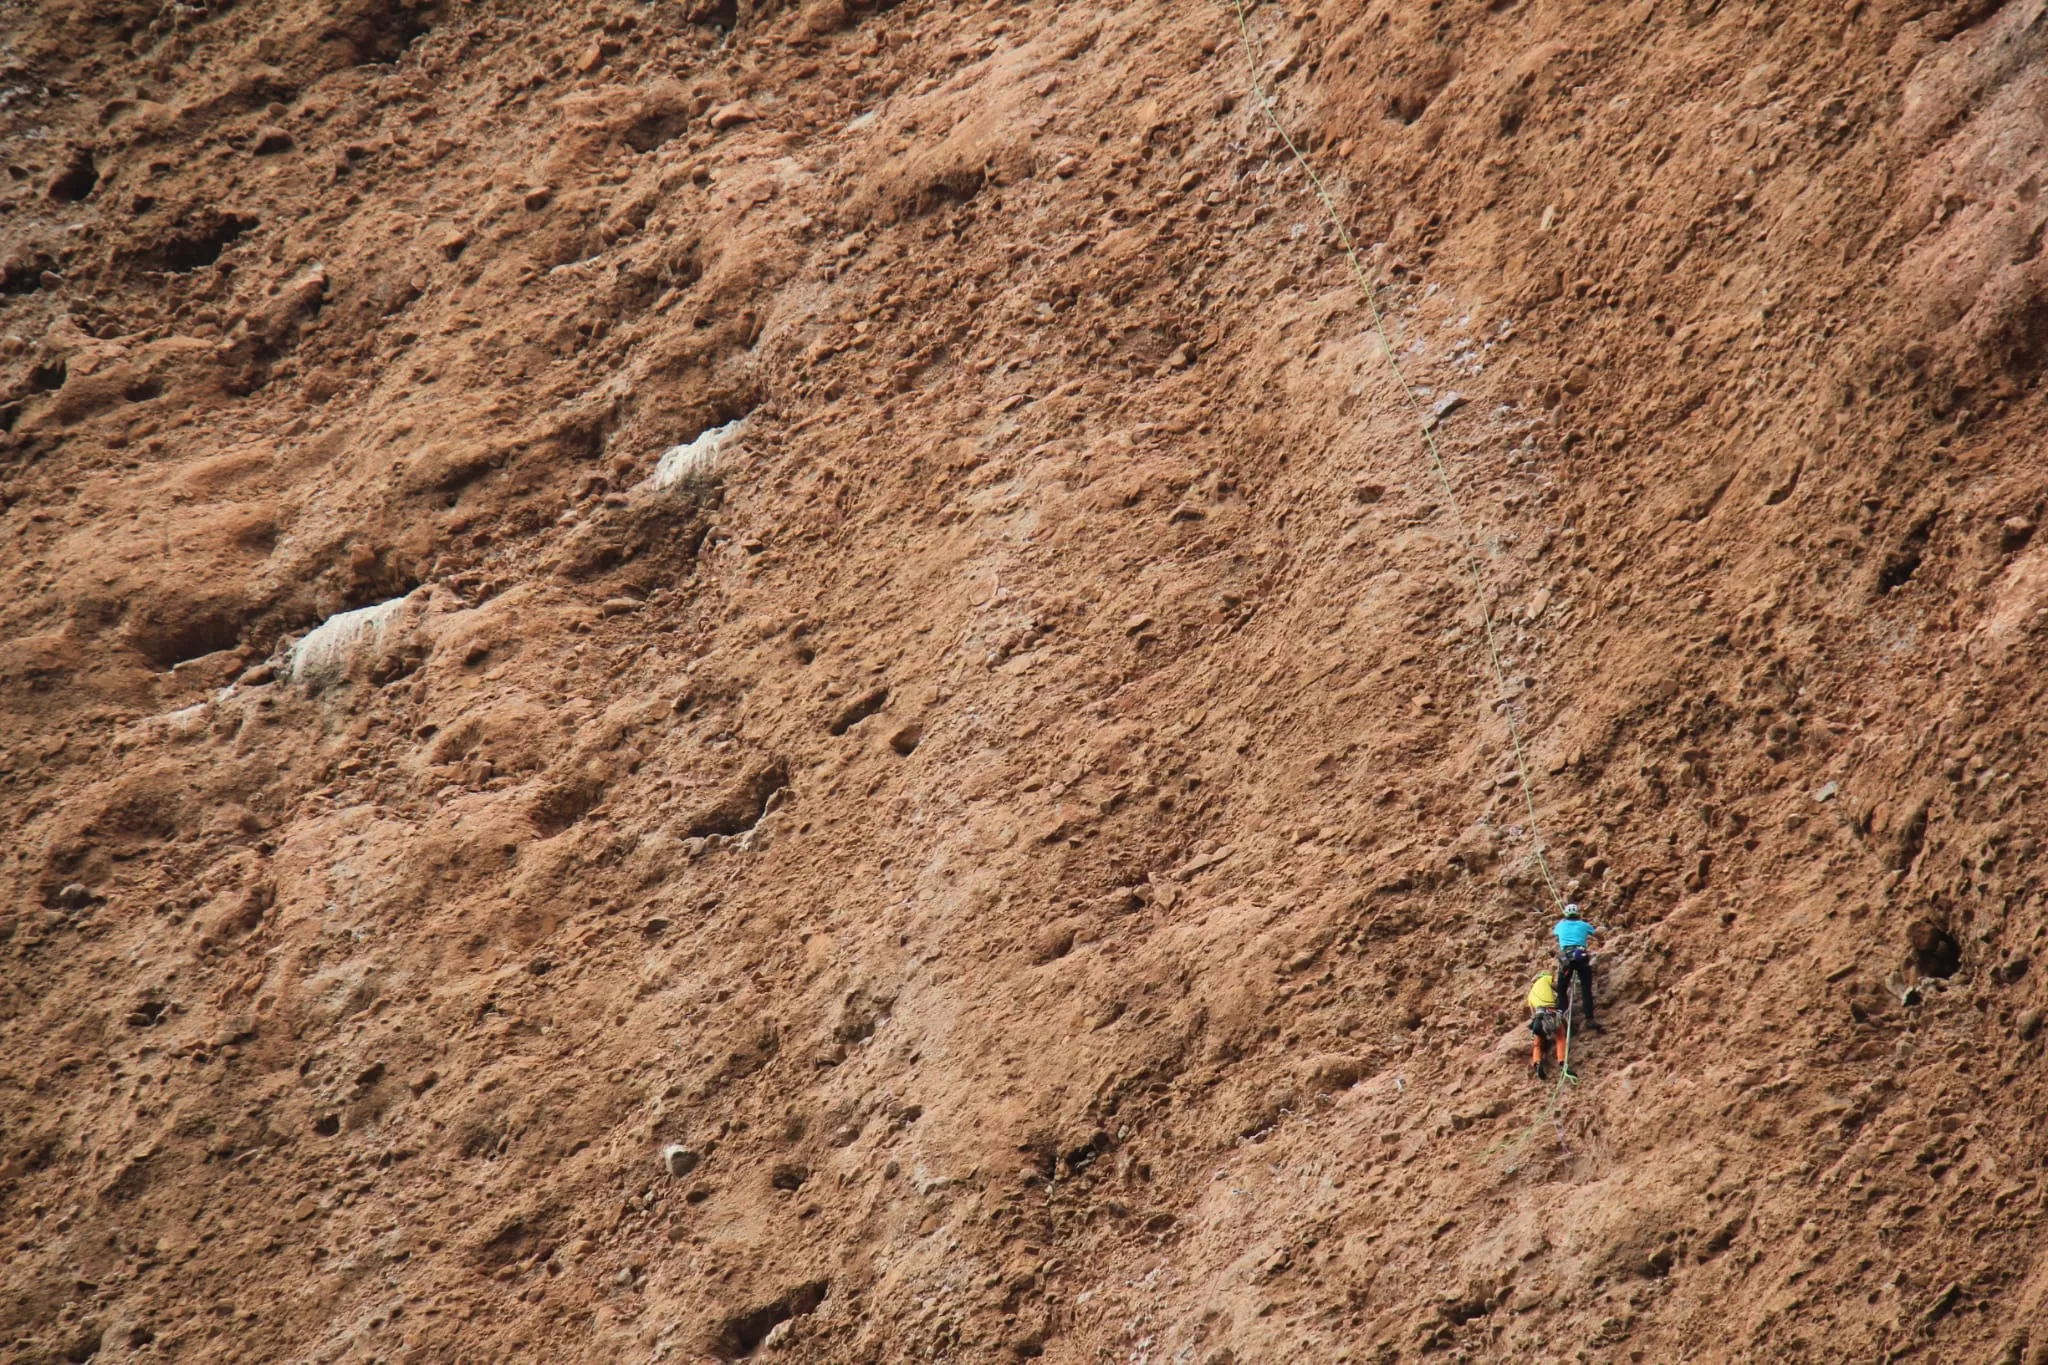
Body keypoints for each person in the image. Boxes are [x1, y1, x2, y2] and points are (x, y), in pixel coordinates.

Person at [1552, 902, 1603, 1032]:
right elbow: (1598, 935)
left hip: (1566, 959)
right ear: (1578, 914)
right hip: (1581, 957)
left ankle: (1562, 1017)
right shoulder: (1584, 925)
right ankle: (1589, 1018)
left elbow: (1555, 934)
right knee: (1586, 989)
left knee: (1561, 989)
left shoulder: (1560, 925)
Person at [1526, 971, 1571, 1081]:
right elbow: (1559, 989)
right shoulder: (1546, 979)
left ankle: (1537, 1062)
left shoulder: (1530, 994)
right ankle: (1562, 1061)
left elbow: (1532, 1013)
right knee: (1560, 1037)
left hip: (1538, 1018)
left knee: (1537, 1044)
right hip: (1550, 1012)